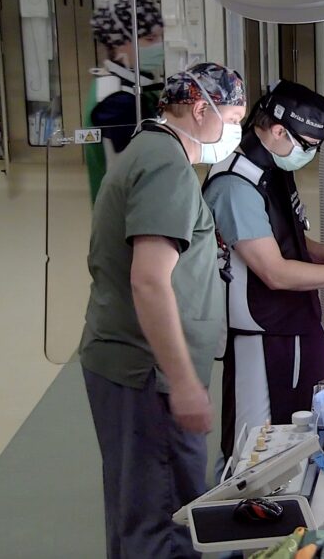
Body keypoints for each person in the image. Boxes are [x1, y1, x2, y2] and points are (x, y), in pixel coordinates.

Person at [79, 63, 246, 558]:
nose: (232, 131)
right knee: (165, 518)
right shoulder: (166, 166)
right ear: (201, 109)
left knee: (140, 511)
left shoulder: (150, 151)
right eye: (233, 118)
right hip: (148, 375)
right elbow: (149, 280)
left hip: (132, 367)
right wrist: (185, 383)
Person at [202, 80, 324, 462]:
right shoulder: (235, 183)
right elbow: (275, 272)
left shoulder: (271, 167)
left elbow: (294, 243)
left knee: (300, 427)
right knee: (254, 449)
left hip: (295, 321)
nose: (310, 154)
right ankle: (246, 513)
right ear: (277, 130)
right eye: (307, 146)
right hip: (260, 332)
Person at [85, 0, 165, 203]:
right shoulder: (118, 100)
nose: (160, 46)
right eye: (150, 38)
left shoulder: (120, 83)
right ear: (119, 42)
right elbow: (145, 166)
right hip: (128, 217)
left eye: (160, 37)